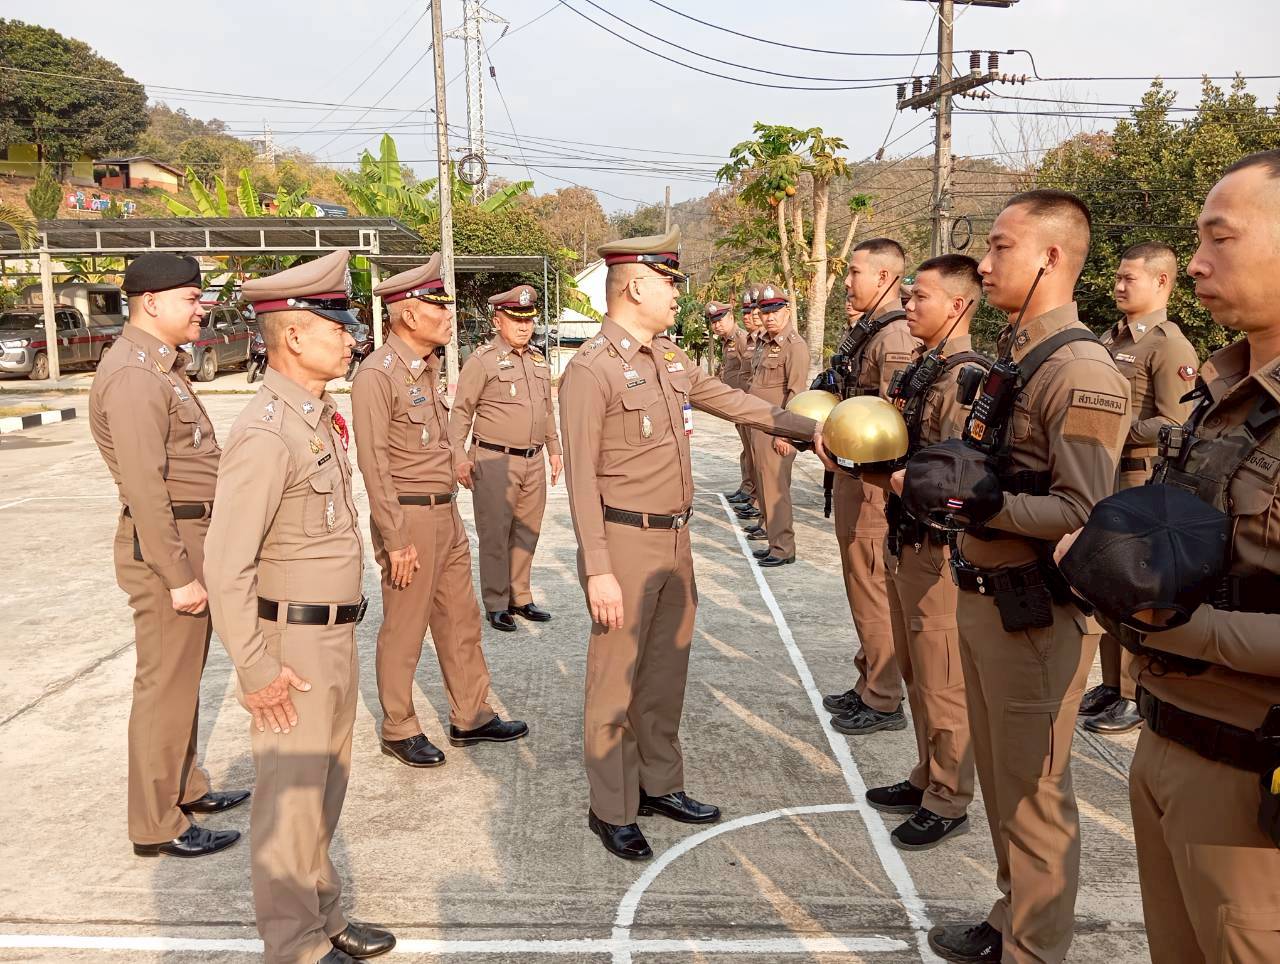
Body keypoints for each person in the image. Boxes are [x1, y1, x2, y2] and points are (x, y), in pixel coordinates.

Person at [1057, 150, 1280, 964]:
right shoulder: (1223, 396)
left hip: (1252, 782)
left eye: (1221, 237)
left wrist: (1175, 625)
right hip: (1167, 740)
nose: (1195, 262)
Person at [904, 190, 1130, 964]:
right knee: (1004, 786)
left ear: (1051, 257)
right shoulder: (1018, 356)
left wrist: (983, 504)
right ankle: (1012, 919)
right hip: (984, 600)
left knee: (1034, 796)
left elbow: (1084, 509)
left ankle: (1033, 947)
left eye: (1002, 247)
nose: (986, 261)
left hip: (1034, 614)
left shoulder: (1081, 369)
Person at [559, 227, 830, 861]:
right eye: (669, 283)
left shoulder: (669, 357)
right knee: (615, 682)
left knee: (664, 674)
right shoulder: (591, 369)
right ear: (635, 288)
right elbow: (579, 480)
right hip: (623, 543)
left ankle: (658, 784)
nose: (678, 294)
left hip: (676, 540)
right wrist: (598, 568)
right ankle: (612, 806)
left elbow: (735, 402)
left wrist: (816, 430)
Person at [205, 249, 396, 963]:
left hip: (333, 637)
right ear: (293, 335)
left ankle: (323, 917)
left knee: (323, 792)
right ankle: (294, 947)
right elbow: (226, 567)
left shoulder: (315, 416)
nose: (350, 338)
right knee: (290, 803)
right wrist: (256, 671)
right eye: (337, 326)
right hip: (292, 647)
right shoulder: (266, 432)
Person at [89, 252, 248, 859]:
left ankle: (185, 788)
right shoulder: (134, 375)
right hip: (168, 544)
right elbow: (144, 487)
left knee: (183, 680)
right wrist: (178, 575)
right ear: (151, 303)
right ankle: (157, 823)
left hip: (191, 534)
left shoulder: (160, 365)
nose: (200, 307)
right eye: (191, 298)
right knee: (165, 686)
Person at [353, 256, 528, 769]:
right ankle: (399, 725)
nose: (449, 315)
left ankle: (471, 714)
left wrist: (455, 466)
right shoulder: (377, 375)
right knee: (406, 628)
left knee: (460, 619)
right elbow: (374, 465)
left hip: (445, 513)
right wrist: (394, 538)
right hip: (408, 518)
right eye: (439, 307)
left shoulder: (425, 368)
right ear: (409, 315)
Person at [867, 255, 986, 850]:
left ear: (958, 305)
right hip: (905, 538)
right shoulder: (925, 366)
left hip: (937, 549)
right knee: (916, 670)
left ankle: (948, 795)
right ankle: (926, 772)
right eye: (908, 296)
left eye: (921, 298)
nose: (908, 306)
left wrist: (899, 478)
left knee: (942, 679)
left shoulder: (967, 378)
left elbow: (957, 477)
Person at [1080, 242, 1200, 734]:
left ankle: (1132, 694)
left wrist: (1116, 426)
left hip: (1137, 477)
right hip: (1104, 475)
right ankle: (1111, 684)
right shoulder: (1110, 337)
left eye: (1129, 278)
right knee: (1103, 583)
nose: (1118, 285)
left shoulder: (1169, 345)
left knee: (1133, 587)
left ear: (1161, 282)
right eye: (1117, 276)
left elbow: (1177, 422)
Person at [821, 239, 917, 736]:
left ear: (883, 278)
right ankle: (868, 679)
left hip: (873, 485)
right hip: (854, 477)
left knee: (872, 587)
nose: (847, 281)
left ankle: (883, 696)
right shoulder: (870, 331)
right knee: (859, 584)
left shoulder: (894, 336)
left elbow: (890, 424)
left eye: (855, 271)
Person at [449, 284, 561, 633]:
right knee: (496, 534)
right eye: (516, 319)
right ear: (498, 321)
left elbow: (546, 410)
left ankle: (520, 596)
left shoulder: (539, 361)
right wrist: (459, 456)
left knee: (528, 531)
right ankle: (497, 603)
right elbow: (461, 412)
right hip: (495, 460)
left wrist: (555, 449)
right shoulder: (482, 361)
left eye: (529, 320)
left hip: (533, 460)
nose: (525, 326)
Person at [745, 285, 811, 567]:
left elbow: (796, 394)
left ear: (787, 311)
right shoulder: (764, 342)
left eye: (775, 311)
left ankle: (783, 548)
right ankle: (773, 539)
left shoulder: (794, 346)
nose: (769, 317)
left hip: (776, 430)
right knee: (764, 485)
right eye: (765, 312)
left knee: (776, 490)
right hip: (758, 426)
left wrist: (786, 434)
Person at [729, 288, 764, 520]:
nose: (749, 316)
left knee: (760, 459)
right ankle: (752, 494)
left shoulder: (762, 341)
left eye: (754, 311)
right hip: (744, 406)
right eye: (746, 312)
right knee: (750, 454)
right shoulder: (752, 340)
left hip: (759, 410)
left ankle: (758, 501)